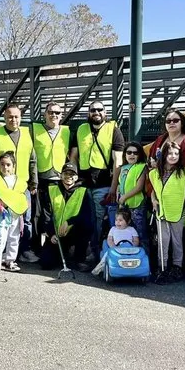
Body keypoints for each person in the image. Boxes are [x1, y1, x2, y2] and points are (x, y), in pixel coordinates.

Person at [75, 101, 125, 260]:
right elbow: (73, 156)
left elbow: (118, 161)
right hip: (82, 184)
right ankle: (84, 250)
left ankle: (96, 252)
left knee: (98, 220)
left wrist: (113, 187)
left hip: (103, 184)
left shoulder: (114, 130)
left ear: (105, 112)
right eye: (93, 110)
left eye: (99, 109)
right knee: (83, 218)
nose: (96, 112)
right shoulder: (81, 129)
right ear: (88, 113)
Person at [0, 104, 39, 263]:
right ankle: (1, 253)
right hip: (3, 186)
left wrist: (34, 182)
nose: (13, 120)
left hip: (22, 186)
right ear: (4, 118)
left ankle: (24, 250)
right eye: (10, 117)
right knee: (3, 221)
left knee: (26, 219)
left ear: (20, 117)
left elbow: (33, 160)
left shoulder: (27, 133)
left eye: (16, 116)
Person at [149, 142, 185, 284]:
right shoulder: (154, 173)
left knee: (177, 240)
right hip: (161, 210)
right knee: (163, 241)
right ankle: (162, 267)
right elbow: (154, 190)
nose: (173, 156)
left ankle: (177, 267)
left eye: (176, 153)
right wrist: (153, 200)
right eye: (170, 153)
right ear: (164, 154)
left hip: (177, 210)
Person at [41, 161, 94, 271]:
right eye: (66, 173)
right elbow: (46, 214)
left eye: (72, 174)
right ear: (61, 176)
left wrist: (69, 222)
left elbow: (86, 215)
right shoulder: (51, 190)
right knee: (46, 264)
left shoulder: (83, 191)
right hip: (56, 234)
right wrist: (51, 233)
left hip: (74, 232)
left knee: (85, 227)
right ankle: (63, 255)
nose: (68, 176)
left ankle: (79, 259)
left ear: (76, 177)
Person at [32, 101, 70, 249]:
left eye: (57, 112)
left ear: (61, 115)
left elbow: (72, 156)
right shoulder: (34, 129)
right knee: (37, 214)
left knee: (55, 214)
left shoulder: (67, 131)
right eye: (50, 112)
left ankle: (54, 246)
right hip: (40, 179)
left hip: (58, 180)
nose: (54, 115)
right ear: (45, 114)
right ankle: (35, 248)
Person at [0, 151, 27, 274]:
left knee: (14, 237)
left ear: (13, 166)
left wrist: (22, 208)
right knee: (0, 238)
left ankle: (10, 260)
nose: (5, 167)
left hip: (15, 213)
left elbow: (22, 197)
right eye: (2, 164)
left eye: (8, 165)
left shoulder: (19, 181)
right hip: (2, 213)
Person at [117, 142, 149, 244]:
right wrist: (119, 196)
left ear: (139, 155)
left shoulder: (141, 167)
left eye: (135, 153)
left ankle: (144, 251)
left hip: (137, 206)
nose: (132, 155)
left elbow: (139, 187)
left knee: (140, 233)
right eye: (129, 152)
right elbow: (120, 184)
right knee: (126, 232)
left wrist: (124, 197)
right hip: (125, 206)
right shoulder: (123, 168)